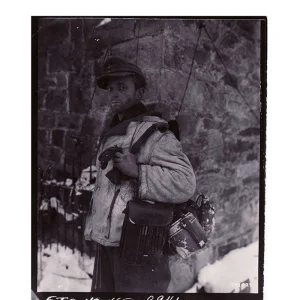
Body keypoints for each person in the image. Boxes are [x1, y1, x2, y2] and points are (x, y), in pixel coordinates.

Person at [84, 57, 196, 292]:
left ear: (139, 93)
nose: (114, 94)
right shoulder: (113, 129)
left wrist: (138, 172)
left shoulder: (155, 133)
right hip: (106, 244)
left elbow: (185, 183)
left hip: (138, 247)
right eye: (111, 89)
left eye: (122, 87)